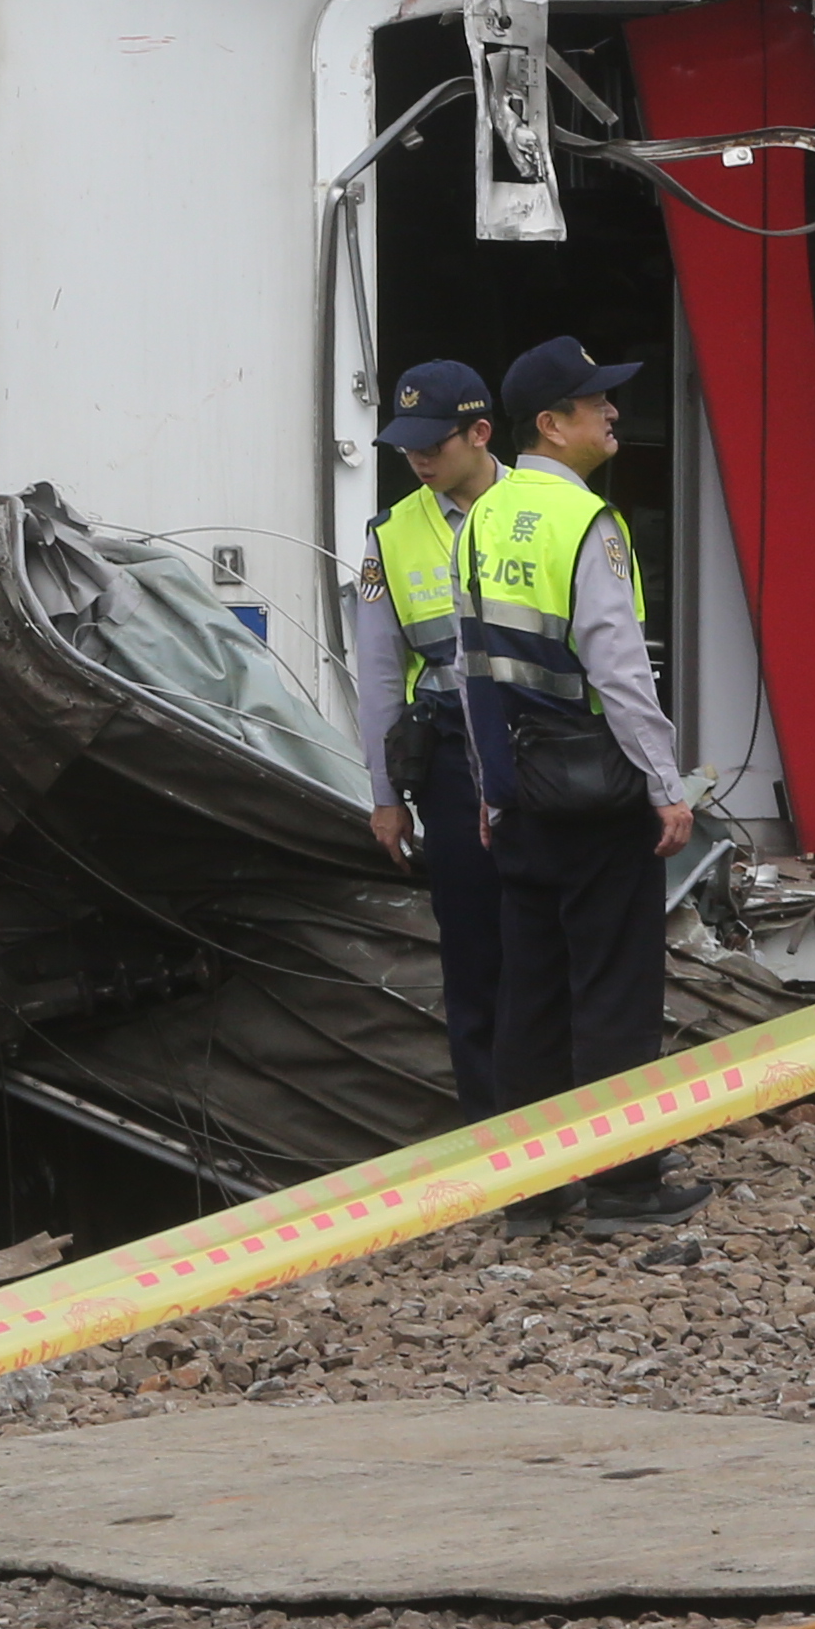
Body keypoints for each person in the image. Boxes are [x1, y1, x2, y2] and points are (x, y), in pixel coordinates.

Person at [463, 335, 702, 1235]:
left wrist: (491, 791)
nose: (613, 413)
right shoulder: (590, 524)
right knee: (614, 987)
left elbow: (469, 667)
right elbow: (620, 672)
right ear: (552, 426)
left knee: (531, 990)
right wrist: (664, 783)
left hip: (520, 792)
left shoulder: (480, 517)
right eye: (595, 402)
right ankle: (623, 1184)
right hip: (598, 792)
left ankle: (533, 1190)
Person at [352, 358, 505, 1116]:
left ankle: (578, 1129)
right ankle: (496, 1133)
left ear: (479, 434)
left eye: (432, 444)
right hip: (451, 763)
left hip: (544, 751)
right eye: (405, 445)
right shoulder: (392, 533)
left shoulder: (553, 510)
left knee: (553, 945)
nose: (417, 459)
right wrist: (385, 798)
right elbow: (380, 673)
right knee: (473, 953)